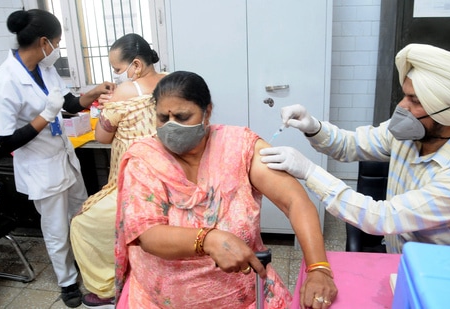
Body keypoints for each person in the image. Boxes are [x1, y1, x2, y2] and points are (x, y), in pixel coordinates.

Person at [114, 71, 337, 308]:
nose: (171, 126)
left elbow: (294, 201)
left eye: (182, 116)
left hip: (245, 298)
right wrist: (207, 239)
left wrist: (318, 268)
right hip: (158, 300)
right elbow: (147, 234)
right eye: (162, 118)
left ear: (207, 112)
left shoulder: (236, 146)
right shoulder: (145, 159)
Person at [259, 43, 450, 254]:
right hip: (401, 261)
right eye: (404, 95)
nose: (401, 106)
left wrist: (309, 172)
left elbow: (384, 218)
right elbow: (350, 145)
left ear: (448, 113)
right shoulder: (409, 135)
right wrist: (313, 127)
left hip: (448, 278)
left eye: (414, 101)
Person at [0, 9, 115, 308]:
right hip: (40, 168)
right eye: (58, 42)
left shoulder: (45, 69)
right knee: (56, 229)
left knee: (81, 216)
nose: (58, 49)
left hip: (64, 158)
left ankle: (88, 266)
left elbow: (69, 104)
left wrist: (93, 92)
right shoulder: (4, 80)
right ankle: (67, 282)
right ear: (44, 41)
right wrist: (45, 116)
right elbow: (6, 140)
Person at [70, 33, 167, 308]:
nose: (118, 75)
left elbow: (102, 137)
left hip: (136, 179)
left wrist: (106, 107)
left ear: (135, 65)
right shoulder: (171, 81)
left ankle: (105, 287)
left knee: (82, 223)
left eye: (117, 69)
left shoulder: (126, 91)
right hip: (168, 173)